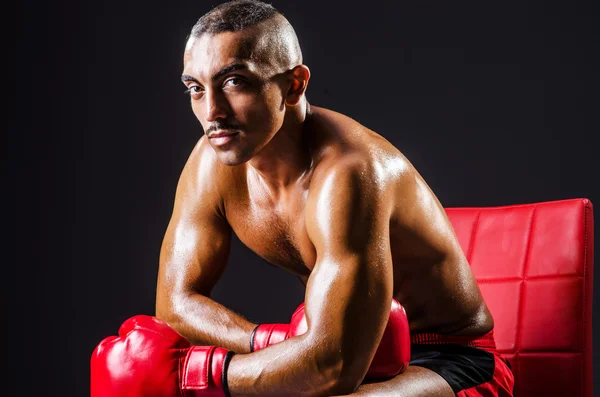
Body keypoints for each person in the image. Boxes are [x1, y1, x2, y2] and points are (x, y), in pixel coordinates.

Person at [90, 1, 515, 396]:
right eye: (196, 89)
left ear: (294, 85)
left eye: (234, 82)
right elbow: (176, 305)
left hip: (451, 360)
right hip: (353, 353)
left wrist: (195, 374)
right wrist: (270, 342)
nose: (213, 111)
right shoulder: (212, 162)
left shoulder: (349, 173)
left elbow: (334, 366)